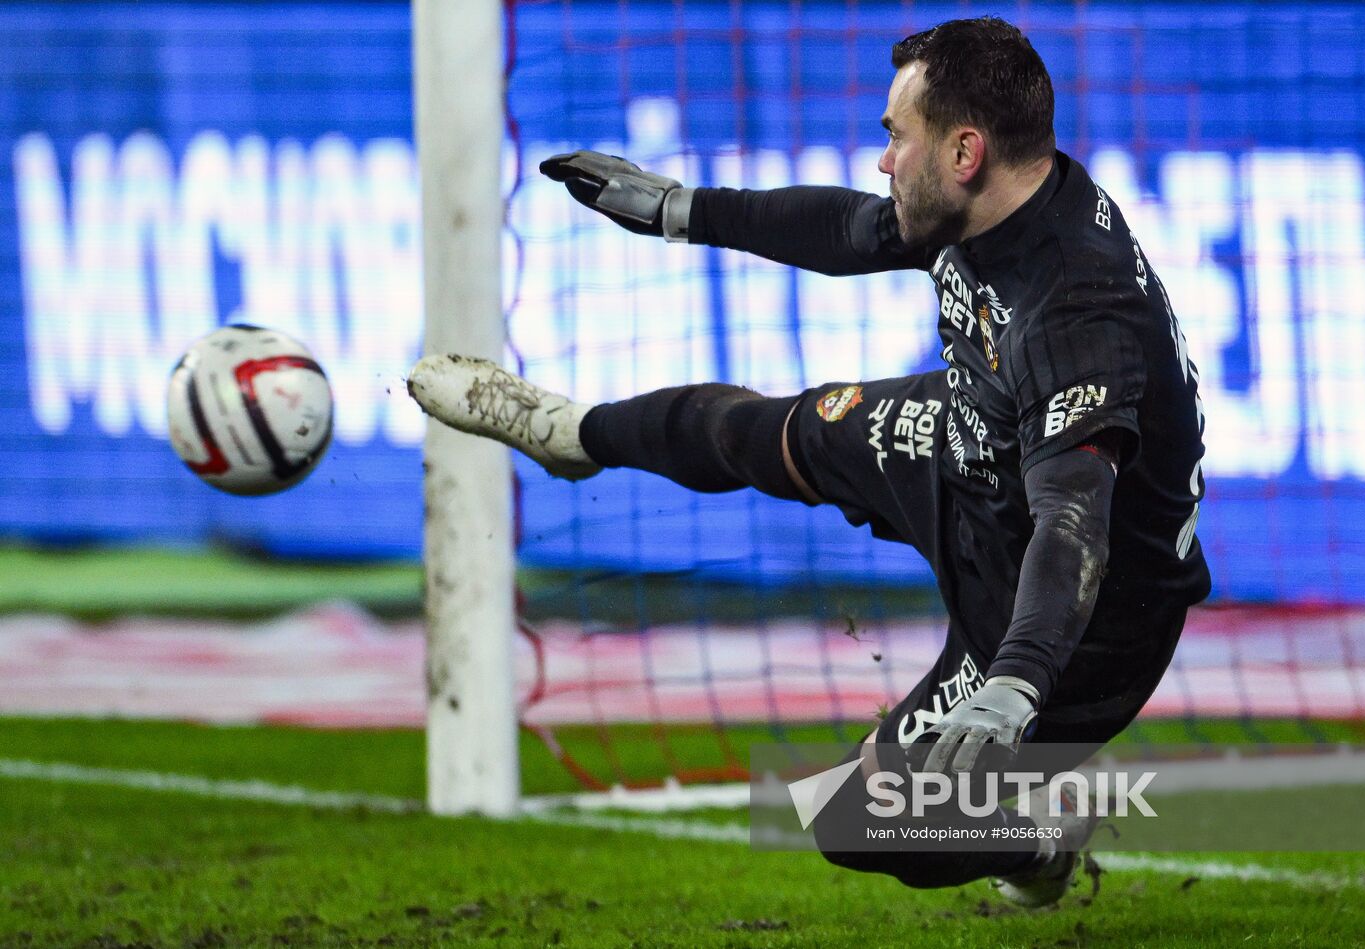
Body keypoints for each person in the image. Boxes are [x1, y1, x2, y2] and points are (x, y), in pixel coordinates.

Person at [408, 16, 1210, 907]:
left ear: (965, 151)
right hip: (975, 457)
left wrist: (1015, 684)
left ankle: (1035, 840)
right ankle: (568, 435)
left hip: (1079, 615)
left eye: (894, 136)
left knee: (856, 815)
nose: (882, 161)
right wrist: (683, 211)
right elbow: (852, 232)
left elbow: (1073, 520)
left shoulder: (1075, 312)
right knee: (777, 428)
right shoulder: (995, 200)